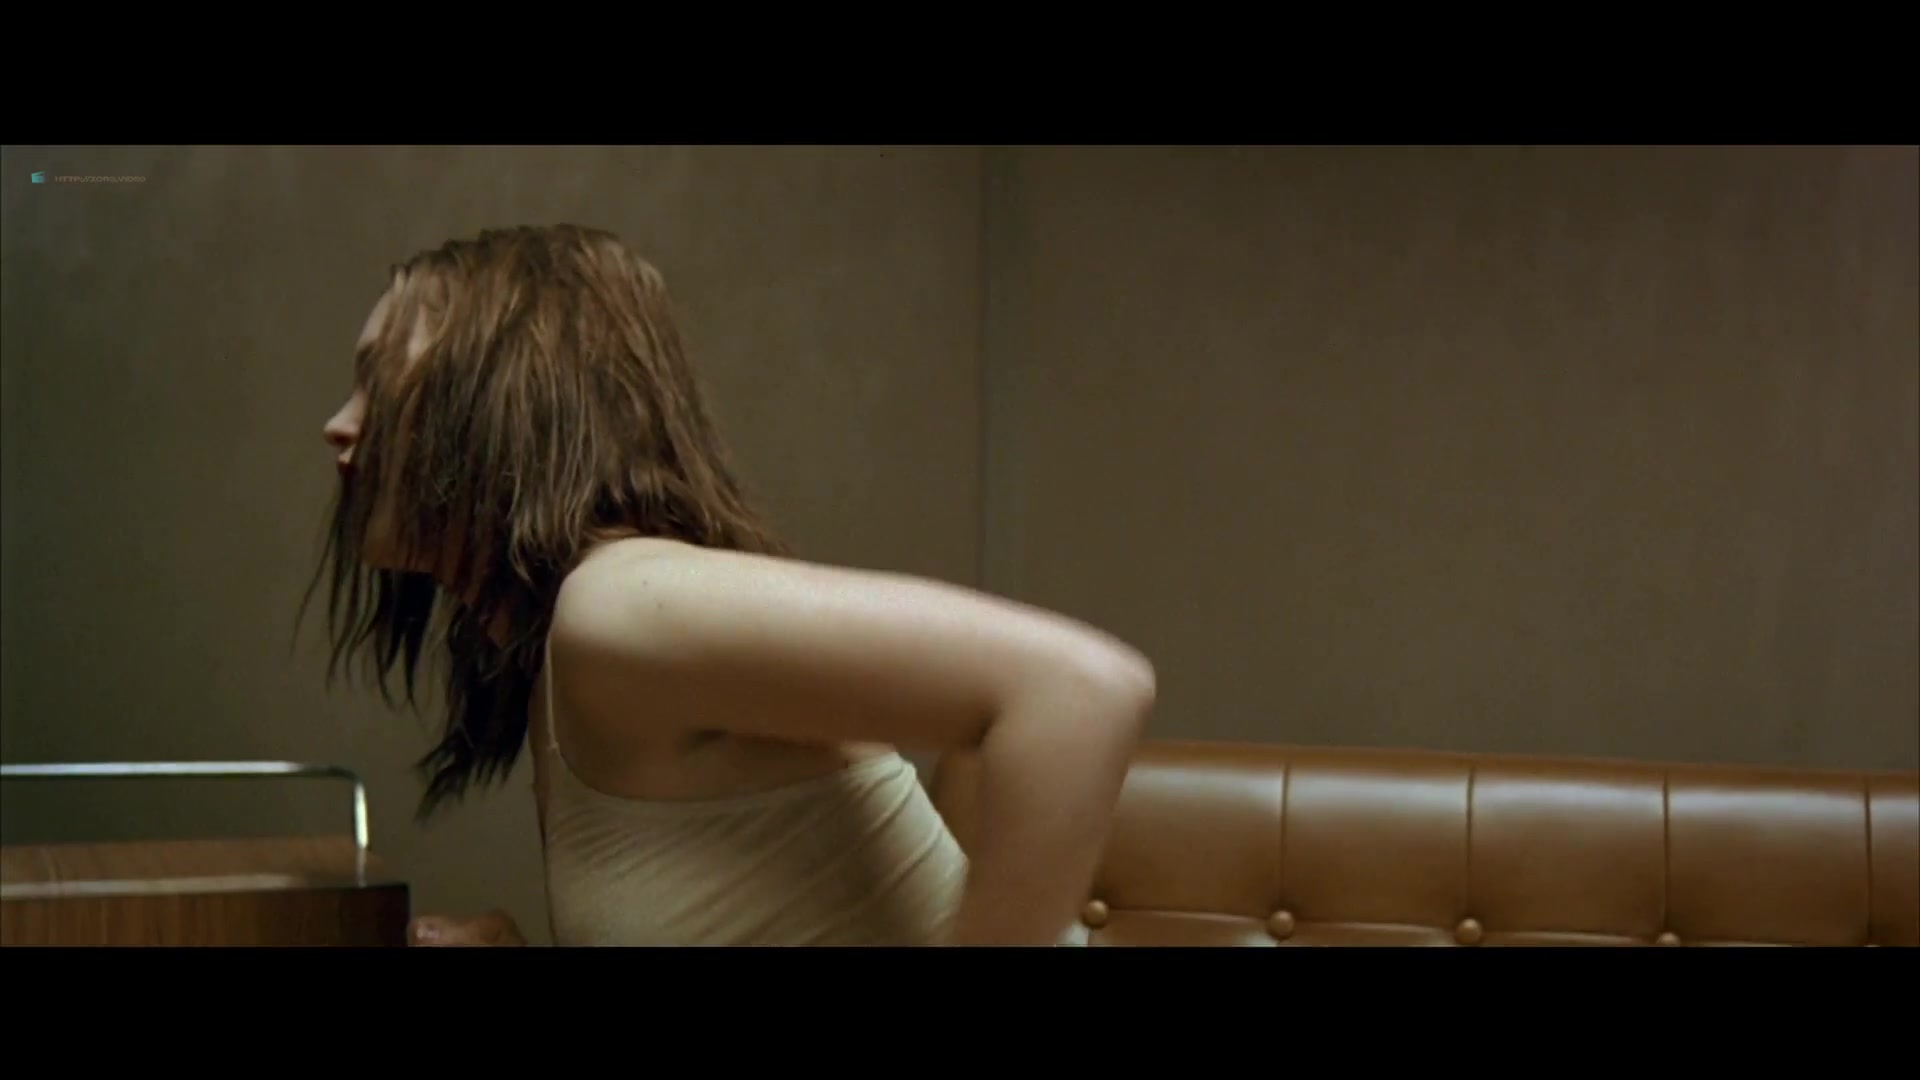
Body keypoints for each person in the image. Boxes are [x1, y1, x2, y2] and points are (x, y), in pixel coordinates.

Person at [309, 225, 1155, 946]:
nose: (340, 425)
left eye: (379, 378)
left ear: (499, 399)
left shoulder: (616, 604)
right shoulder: (564, 654)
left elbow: (1080, 690)